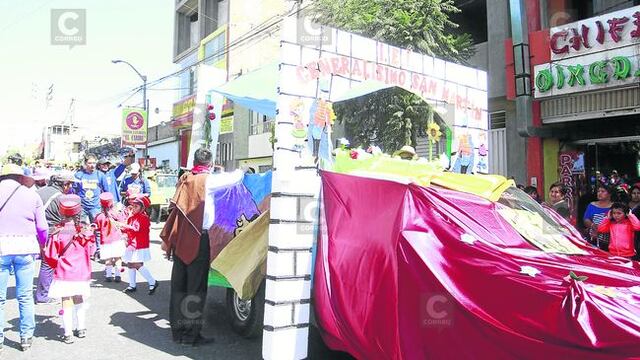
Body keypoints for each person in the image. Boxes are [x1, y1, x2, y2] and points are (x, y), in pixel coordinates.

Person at [160, 148, 216, 346]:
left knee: (178, 287)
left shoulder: (185, 177)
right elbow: (236, 177)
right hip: (199, 239)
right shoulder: (208, 179)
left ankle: (178, 332)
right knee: (196, 289)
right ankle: (191, 336)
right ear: (209, 163)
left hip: (181, 237)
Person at [0, 163, 48, 352]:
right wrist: (43, 245)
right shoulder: (31, 195)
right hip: (26, 248)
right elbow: (42, 227)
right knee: (25, 295)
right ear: (20, 177)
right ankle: (26, 337)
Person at [44, 194, 95, 344]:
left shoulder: (58, 232)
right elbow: (92, 251)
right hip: (81, 273)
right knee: (79, 298)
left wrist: (56, 265)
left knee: (66, 301)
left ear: (61, 212)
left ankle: (67, 333)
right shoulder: (85, 232)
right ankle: (81, 328)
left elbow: (50, 255)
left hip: (64, 273)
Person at [35, 171, 78, 304]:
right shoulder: (61, 198)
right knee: (48, 263)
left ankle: (47, 289)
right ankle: (43, 295)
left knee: (44, 261)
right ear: (65, 184)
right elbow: (65, 219)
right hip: (50, 231)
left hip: (35, 230)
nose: (70, 187)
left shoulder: (39, 191)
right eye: (70, 184)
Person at [121, 194, 158, 295]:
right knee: (130, 263)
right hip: (132, 243)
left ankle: (152, 281)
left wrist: (125, 225)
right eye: (133, 206)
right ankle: (132, 285)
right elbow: (127, 229)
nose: (133, 208)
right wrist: (121, 226)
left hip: (139, 244)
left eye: (136, 206)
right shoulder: (132, 217)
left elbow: (136, 229)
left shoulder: (143, 217)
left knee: (137, 264)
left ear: (142, 208)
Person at [74, 154, 107, 258]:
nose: (92, 165)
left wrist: (106, 207)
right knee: (81, 229)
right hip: (82, 207)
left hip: (95, 207)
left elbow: (106, 191)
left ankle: (99, 250)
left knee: (97, 229)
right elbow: (73, 191)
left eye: (94, 163)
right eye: (89, 163)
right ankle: (81, 250)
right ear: (85, 163)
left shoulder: (100, 175)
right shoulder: (79, 175)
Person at [94, 193, 127, 283]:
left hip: (105, 241)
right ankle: (117, 275)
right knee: (118, 258)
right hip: (117, 239)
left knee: (108, 259)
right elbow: (122, 224)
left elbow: (96, 228)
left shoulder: (99, 216)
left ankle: (108, 275)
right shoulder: (116, 214)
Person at [583, 184, 613, 250]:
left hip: (609, 241)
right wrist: (592, 225)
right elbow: (586, 219)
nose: (600, 193)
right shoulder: (591, 205)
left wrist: (602, 229)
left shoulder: (614, 207)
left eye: (603, 191)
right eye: (598, 191)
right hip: (593, 238)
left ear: (609, 194)